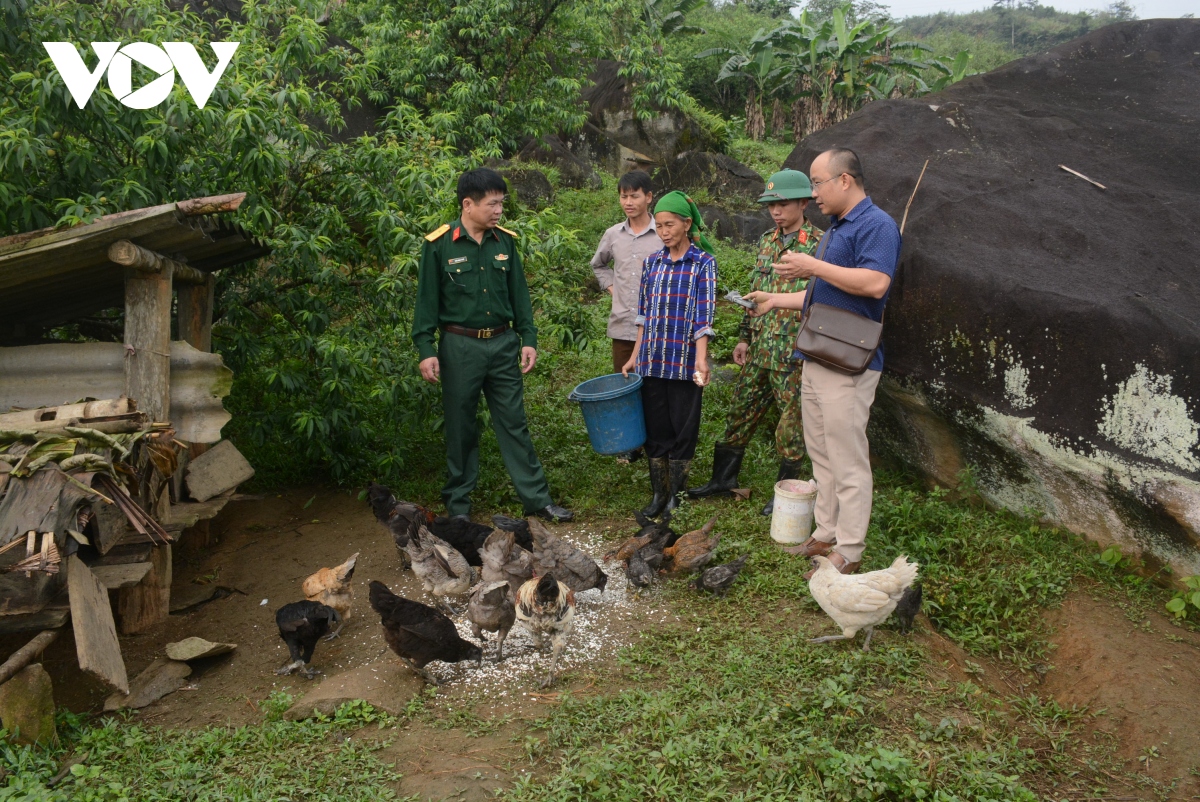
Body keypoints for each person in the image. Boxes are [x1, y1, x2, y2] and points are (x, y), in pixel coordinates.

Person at [746, 148, 901, 577]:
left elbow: (875, 283)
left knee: (848, 458)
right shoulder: (837, 228)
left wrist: (813, 264)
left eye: (817, 183)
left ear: (845, 181)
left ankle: (850, 550)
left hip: (848, 362)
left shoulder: (876, 225)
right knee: (822, 455)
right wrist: (774, 299)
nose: (813, 193)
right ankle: (827, 531)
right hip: (817, 352)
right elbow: (823, 295)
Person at [412, 167, 574, 523]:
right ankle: (458, 508)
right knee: (460, 427)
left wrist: (528, 338)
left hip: (503, 344)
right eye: (492, 204)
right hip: (459, 347)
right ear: (468, 204)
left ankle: (537, 500)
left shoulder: (505, 242)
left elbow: (520, 297)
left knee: (514, 422)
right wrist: (426, 349)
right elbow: (426, 303)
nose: (499, 210)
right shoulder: (439, 245)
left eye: (501, 203)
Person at [688, 169, 822, 515]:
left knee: (790, 425)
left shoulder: (819, 245)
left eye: (783, 204)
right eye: (771, 205)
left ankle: (784, 490)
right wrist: (745, 337)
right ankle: (723, 480)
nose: (776, 211)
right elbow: (755, 292)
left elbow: (820, 300)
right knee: (740, 412)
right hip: (761, 348)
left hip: (793, 353)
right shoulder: (766, 240)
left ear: (804, 202)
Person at [621, 191, 717, 518]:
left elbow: (704, 318)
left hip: (685, 362)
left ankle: (676, 494)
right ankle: (658, 495)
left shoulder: (703, 264)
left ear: (687, 224)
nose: (663, 231)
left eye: (670, 224)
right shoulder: (652, 263)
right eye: (659, 225)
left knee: (683, 428)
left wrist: (701, 360)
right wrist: (635, 355)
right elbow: (643, 315)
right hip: (652, 360)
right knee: (656, 428)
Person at [590, 170, 664, 462]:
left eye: (634, 195)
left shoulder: (663, 233)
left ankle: (655, 442)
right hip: (623, 324)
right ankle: (630, 445)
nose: (628, 202)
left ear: (648, 197)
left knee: (655, 385)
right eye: (623, 196)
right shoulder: (613, 235)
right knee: (625, 383)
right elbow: (598, 265)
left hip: (658, 327)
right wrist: (612, 288)